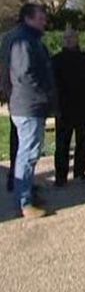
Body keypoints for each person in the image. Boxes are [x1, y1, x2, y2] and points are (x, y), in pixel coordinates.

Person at [6, 4, 55, 219]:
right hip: (29, 104)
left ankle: (27, 192)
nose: (44, 22)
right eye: (41, 18)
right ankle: (25, 202)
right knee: (28, 153)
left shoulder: (24, 37)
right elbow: (24, 73)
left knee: (28, 152)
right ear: (28, 18)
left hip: (27, 104)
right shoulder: (22, 41)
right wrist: (44, 93)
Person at [52, 29, 85, 186]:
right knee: (62, 143)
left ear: (77, 39)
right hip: (64, 108)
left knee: (83, 142)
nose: (69, 40)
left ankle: (80, 172)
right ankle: (61, 175)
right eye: (66, 38)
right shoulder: (55, 61)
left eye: (72, 37)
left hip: (84, 107)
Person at [1, 28, 20, 193]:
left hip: (13, 95)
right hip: (20, 96)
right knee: (21, 141)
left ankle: (15, 177)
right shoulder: (20, 40)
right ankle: (17, 180)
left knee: (17, 138)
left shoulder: (7, 39)